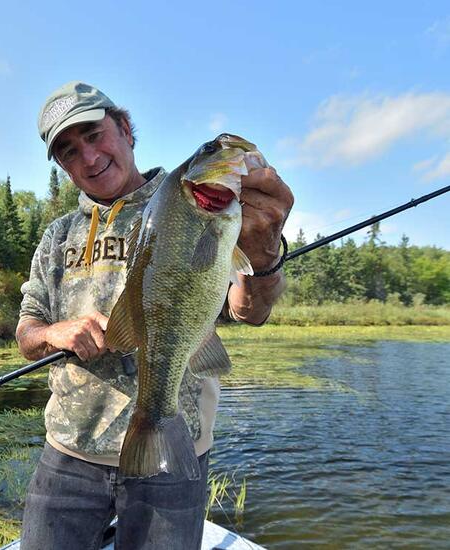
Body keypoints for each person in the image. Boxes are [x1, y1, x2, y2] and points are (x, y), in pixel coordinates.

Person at [16, 81, 293, 550]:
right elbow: (27, 330)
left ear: (125, 129)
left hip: (173, 445)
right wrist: (55, 333)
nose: (87, 156)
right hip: (69, 450)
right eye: (68, 151)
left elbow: (250, 311)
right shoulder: (57, 235)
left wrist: (264, 256)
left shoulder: (191, 204)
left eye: (93, 134)